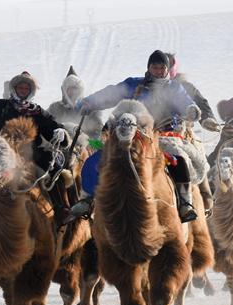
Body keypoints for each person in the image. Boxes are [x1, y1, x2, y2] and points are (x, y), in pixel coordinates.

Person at [76, 50, 201, 222]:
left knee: (178, 159)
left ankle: (185, 203)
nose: (158, 71)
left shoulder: (173, 88)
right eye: (154, 67)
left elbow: (184, 101)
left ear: (167, 69)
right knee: (97, 159)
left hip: (161, 136)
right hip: (131, 135)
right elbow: (111, 93)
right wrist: (89, 102)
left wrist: (191, 109)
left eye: (161, 67)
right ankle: (86, 199)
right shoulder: (134, 84)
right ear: (149, 68)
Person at [0, 70, 72, 221]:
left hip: (30, 155)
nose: (23, 91)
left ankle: (61, 208)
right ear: (14, 89)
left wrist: (59, 132)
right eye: (20, 88)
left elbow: (51, 126)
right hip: (0, 154)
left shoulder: (37, 112)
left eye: (26, 88)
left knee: (54, 170)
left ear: (31, 91)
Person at [167, 53, 221, 131]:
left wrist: (207, 118)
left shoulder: (186, 87)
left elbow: (201, 102)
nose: (160, 70)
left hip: (181, 130)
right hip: (151, 131)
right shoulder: (147, 85)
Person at [46, 66, 104, 138]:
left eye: (75, 88)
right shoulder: (55, 109)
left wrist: (89, 145)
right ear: (64, 91)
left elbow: (100, 134)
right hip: (58, 146)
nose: (72, 92)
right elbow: (44, 126)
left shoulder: (90, 109)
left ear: (80, 90)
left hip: (85, 147)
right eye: (69, 88)